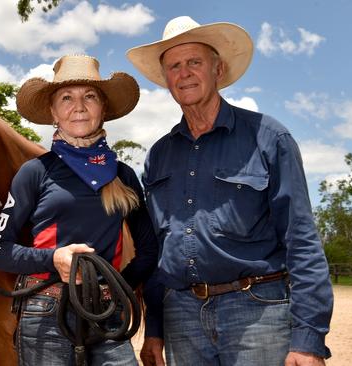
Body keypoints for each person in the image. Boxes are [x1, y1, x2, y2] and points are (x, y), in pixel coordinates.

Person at [126, 16, 334, 366]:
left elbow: (301, 239)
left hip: (257, 310)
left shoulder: (269, 137)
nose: (185, 72)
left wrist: (309, 339)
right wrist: (156, 329)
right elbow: (162, 252)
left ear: (218, 69)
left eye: (195, 62)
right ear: (166, 80)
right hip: (182, 316)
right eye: (174, 66)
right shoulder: (159, 155)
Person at [0, 54, 158, 365]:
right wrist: (53, 258)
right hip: (45, 311)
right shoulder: (34, 172)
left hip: (107, 313)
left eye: (89, 96)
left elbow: (148, 249)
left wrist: (117, 286)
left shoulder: (123, 176)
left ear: (103, 108)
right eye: (67, 97)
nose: (79, 106)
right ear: (53, 111)